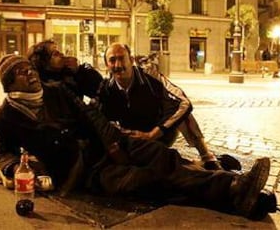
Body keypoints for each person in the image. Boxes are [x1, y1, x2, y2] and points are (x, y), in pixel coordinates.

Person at [0, 54, 276, 220]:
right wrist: (15, 169)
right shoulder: (4, 119)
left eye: (29, 67)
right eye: (20, 72)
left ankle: (236, 187)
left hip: (112, 141)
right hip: (83, 170)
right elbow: (5, 153)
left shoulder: (56, 90)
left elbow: (93, 116)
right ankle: (237, 194)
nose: (30, 74)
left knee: (165, 158)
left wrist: (115, 145)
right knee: (148, 181)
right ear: (9, 84)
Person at [99, 43, 240, 170]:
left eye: (121, 58)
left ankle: (207, 158)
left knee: (181, 111)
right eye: (112, 60)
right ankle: (206, 166)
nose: (117, 65)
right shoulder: (106, 89)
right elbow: (101, 120)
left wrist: (153, 134)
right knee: (161, 165)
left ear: (131, 60)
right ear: (106, 65)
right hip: (137, 142)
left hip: (161, 133)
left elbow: (184, 102)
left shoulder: (150, 76)